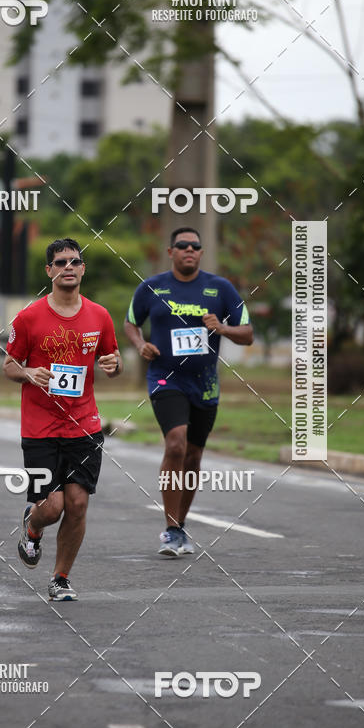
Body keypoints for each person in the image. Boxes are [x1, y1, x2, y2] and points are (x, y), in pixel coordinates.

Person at [3, 238, 122, 601]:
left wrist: (114, 365)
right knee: (51, 508)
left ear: (83, 269)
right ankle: (32, 528)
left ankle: (61, 578)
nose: (68, 267)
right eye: (60, 262)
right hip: (39, 428)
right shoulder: (28, 318)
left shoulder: (99, 316)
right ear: (49, 271)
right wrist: (28, 373)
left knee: (78, 503)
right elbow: (9, 365)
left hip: (84, 425)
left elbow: (113, 360)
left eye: (75, 261)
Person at [124, 227, 253, 556]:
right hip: (166, 378)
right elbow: (130, 322)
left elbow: (248, 333)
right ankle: (170, 529)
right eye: (182, 245)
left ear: (200, 253)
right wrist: (140, 344)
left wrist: (222, 327)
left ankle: (179, 526)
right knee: (176, 443)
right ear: (171, 252)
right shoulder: (151, 288)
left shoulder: (220, 288)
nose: (190, 250)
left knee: (194, 456)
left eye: (195, 246)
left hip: (205, 383)